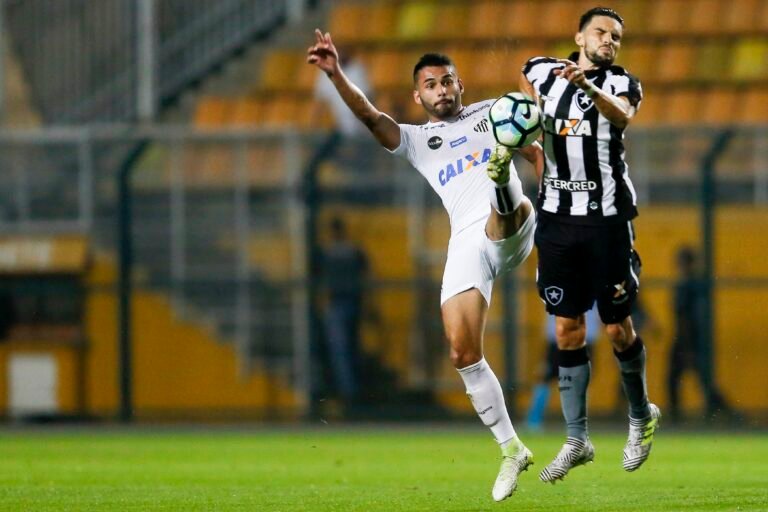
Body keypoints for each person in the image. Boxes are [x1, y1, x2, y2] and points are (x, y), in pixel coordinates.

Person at [308, 29, 543, 502]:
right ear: (419, 96)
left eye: (448, 81)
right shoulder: (418, 140)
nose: (442, 90)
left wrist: (550, 195)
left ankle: (500, 181)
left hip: (511, 224)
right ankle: (512, 449)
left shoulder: (494, 113)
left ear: (460, 86)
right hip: (466, 242)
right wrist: (336, 75)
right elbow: (372, 119)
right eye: (431, 85)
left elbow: (537, 151)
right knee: (461, 353)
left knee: (503, 203)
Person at [519, 7, 661, 482]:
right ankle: (577, 439)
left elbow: (620, 117)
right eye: (601, 32)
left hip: (607, 221)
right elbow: (526, 87)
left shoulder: (622, 83)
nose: (609, 40)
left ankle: (640, 415)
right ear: (578, 35)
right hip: (558, 221)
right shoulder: (541, 70)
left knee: (618, 328)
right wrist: (530, 143)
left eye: (616, 36)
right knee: (567, 331)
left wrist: (586, 85)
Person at [667, 246, 729, 421]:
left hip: (687, 338)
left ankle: (721, 410)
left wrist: (687, 346)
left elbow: (685, 317)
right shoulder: (692, 284)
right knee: (693, 378)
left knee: (685, 378)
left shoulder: (688, 286)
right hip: (691, 338)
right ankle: (720, 410)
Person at [527, 305, 601, 431]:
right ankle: (534, 420)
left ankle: (575, 423)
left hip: (583, 338)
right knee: (547, 377)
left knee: (580, 381)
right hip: (561, 339)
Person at [321, 216, 368, 404]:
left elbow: (321, 278)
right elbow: (366, 275)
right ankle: (353, 391)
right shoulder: (353, 250)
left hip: (337, 304)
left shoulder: (328, 252)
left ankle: (349, 394)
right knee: (352, 348)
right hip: (354, 303)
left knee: (340, 351)